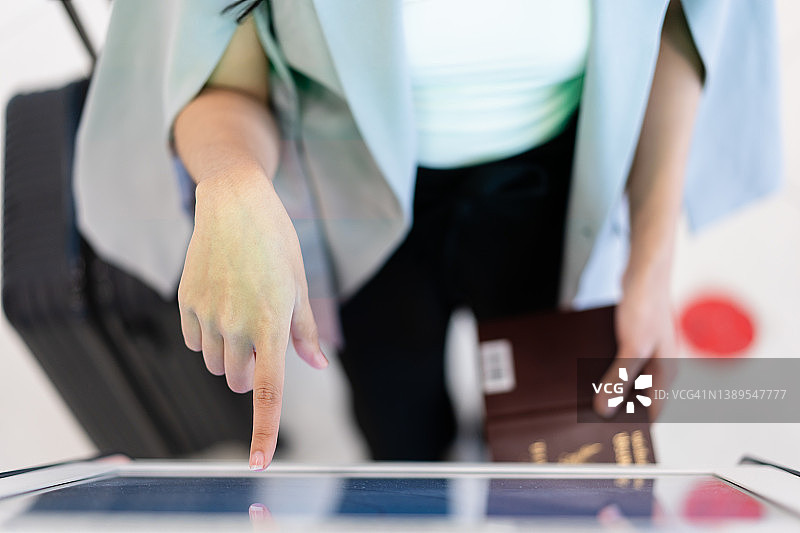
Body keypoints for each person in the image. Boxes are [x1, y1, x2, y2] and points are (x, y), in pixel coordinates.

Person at [74, 0, 782, 469]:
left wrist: (651, 265)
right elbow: (227, 73)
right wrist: (229, 180)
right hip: (353, 199)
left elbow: (682, 22)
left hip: (566, 189)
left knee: (564, 444)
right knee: (399, 426)